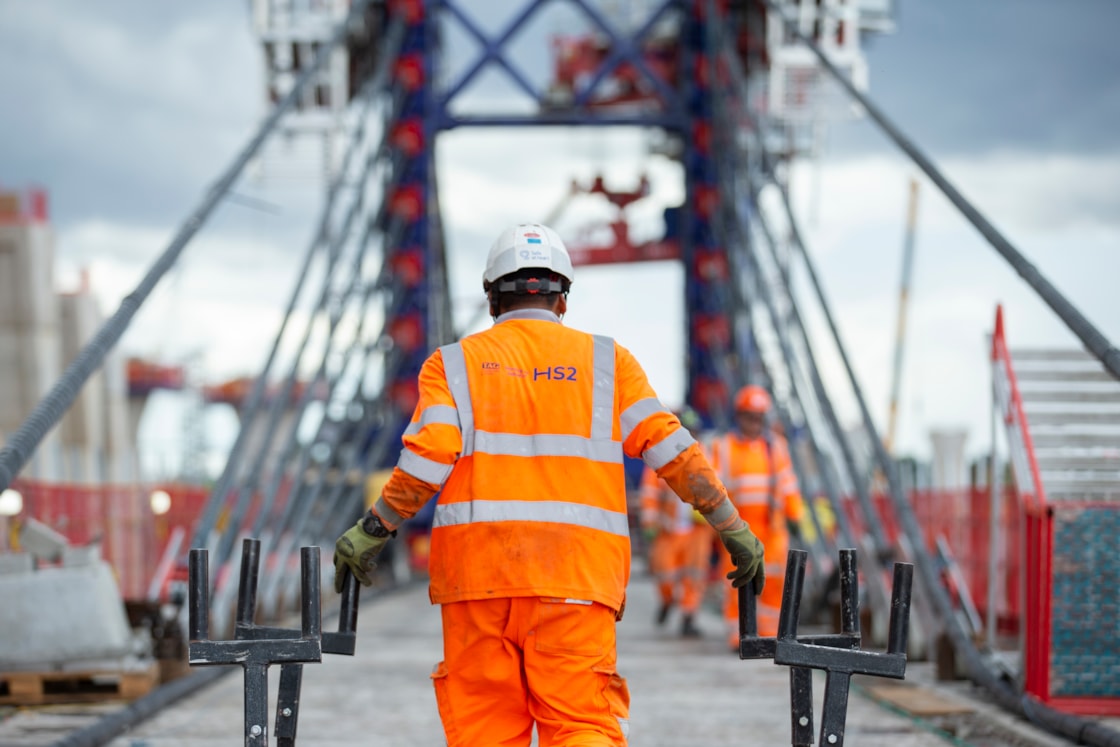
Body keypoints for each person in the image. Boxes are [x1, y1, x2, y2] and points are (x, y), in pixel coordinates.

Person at [333, 223, 765, 746]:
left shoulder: (452, 366)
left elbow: (429, 459)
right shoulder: (611, 363)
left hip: (478, 580)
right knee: (582, 725)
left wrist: (373, 530)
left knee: (486, 732)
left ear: (492, 297)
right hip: (577, 579)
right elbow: (674, 451)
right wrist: (731, 526)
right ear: (563, 299)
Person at [710, 384, 805, 649]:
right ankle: (738, 636)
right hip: (737, 529)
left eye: (758, 417)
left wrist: (795, 514)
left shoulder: (776, 447)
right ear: (739, 416)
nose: (754, 423)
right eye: (749, 416)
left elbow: (787, 484)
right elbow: (713, 486)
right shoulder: (724, 447)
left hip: (771, 529)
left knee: (774, 580)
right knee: (736, 581)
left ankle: (769, 635)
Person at [638, 406, 714, 638]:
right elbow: (650, 493)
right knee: (665, 575)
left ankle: (688, 618)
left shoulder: (705, 457)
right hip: (668, 531)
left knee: (694, 576)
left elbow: (717, 487)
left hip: (696, 531)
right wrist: (649, 523)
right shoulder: (660, 459)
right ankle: (668, 600)